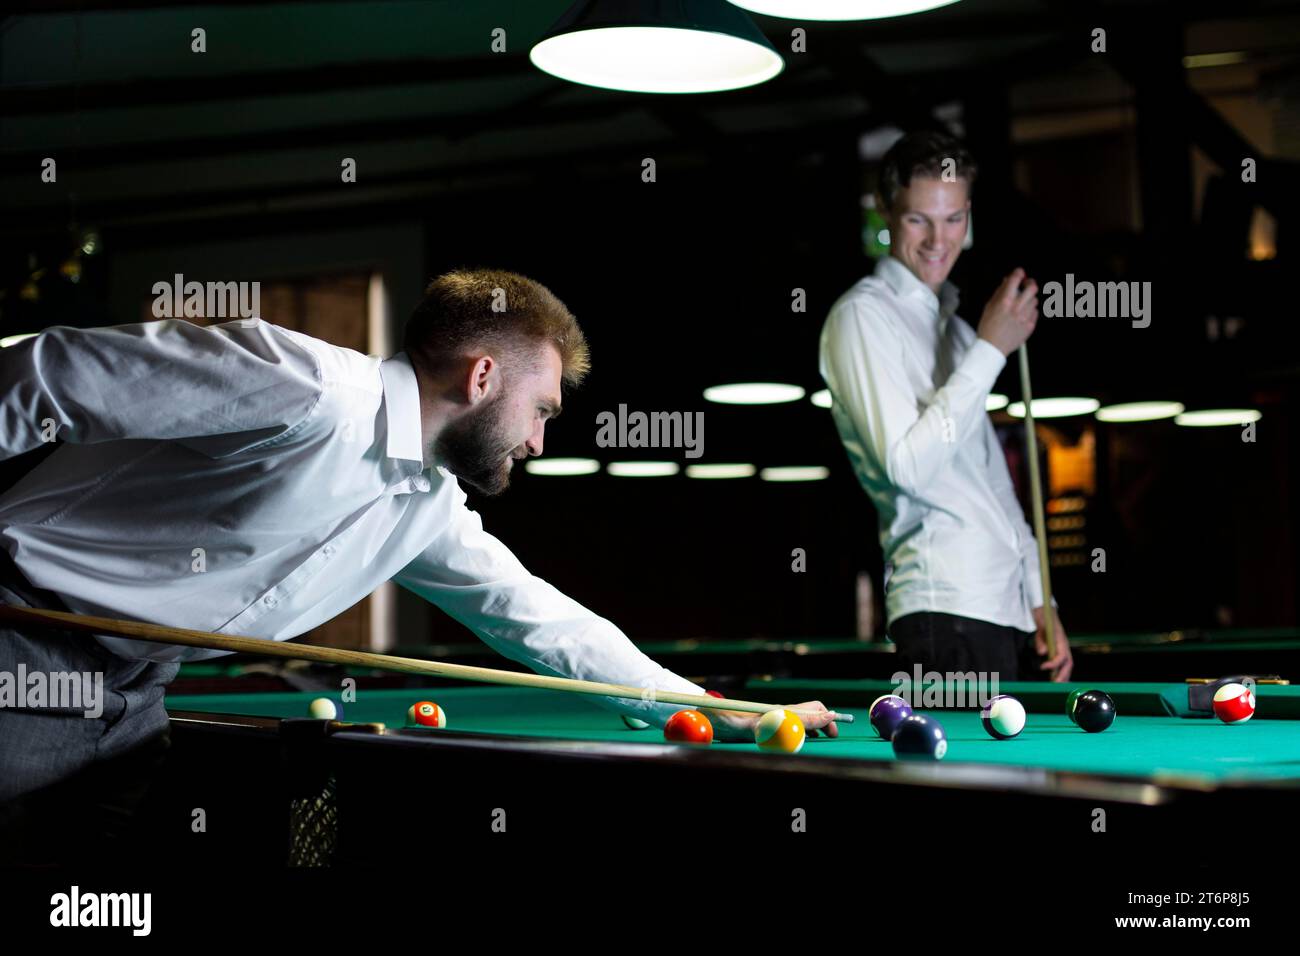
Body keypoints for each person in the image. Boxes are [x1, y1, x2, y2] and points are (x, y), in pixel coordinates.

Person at [0, 268, 838, 856]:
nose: (540, 441)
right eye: (541, 410)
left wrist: (704, 707)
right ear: (482, 377)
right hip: (20, 642)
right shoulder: (311, 390)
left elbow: (538, 617)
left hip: (136, 695)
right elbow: (52, 371)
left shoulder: (427, 508)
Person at [820, 131, 1073, 683]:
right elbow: (906, 468)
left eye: (954, 219)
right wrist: (990, 349)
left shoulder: (959, 331)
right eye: (919, 220)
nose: (939, 239)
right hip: (942, 611)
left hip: (1003, 608)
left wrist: (1039, 595)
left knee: (1025, 773)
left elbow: (993, 486)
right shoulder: (861, 318)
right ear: (885, 211)